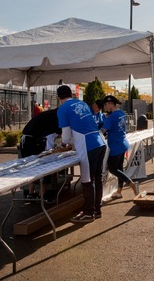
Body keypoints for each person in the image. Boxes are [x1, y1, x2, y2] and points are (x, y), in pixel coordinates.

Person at [57, 85, 107, 224]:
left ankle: (88, 212)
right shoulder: (82, 103)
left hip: (88, 145)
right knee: (98, 178)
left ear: (59, 97)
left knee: (87, 180)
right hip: (100, 142)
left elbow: (66, 135)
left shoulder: (63, 109)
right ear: (71, 94)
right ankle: (97, 209)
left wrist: (63, 145)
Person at [20, 108, 62, 202]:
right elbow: (49, 146)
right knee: (45, 168)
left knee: (31, 167)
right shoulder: (55, 120)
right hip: (34, 142)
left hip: (26, 140)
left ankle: (31, 193)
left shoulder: (49, 115)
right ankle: (42, 195)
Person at [100, 95, 138, 199]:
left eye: (106, 104)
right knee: (120, 169)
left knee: (113, 169)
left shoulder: (111, 117)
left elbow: (102, 131)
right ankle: (119, 191)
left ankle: (131, 184)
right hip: (123, 143)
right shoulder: (121, 113)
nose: (105, 107)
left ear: (111, 104)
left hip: (115, 145)